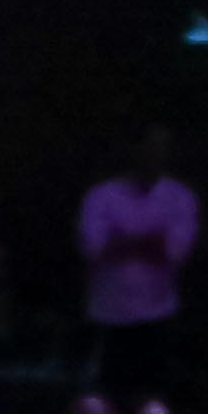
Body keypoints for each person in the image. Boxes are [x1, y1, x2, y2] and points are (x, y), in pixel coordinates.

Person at [75, 129, 194, 397]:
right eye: (150, 148)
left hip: (158, 314)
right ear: (134, 151)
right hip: (108, 314)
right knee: (102, 398)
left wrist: (120, 239)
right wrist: (151, 240)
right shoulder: (101, 196)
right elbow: (93, 248)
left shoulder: (180, 197)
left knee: (152, 401)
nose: (155, 155)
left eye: (161, 149)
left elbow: (177, 252)